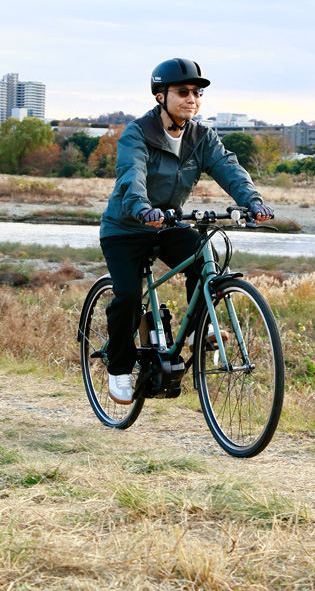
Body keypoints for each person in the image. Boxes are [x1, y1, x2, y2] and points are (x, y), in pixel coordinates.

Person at [99, 59, 274, 404]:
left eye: (197, 92)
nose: (191, 98)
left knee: (204, 259)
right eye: (182, 92)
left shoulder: (201, 136)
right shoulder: (138, 133)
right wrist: (142, 208)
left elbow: (228, 168)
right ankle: (118, 368)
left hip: (168, 224)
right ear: (160, 96)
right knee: (129, 296)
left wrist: (253, 202)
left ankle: (197, 332)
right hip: (126, 227)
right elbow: (131, 175)